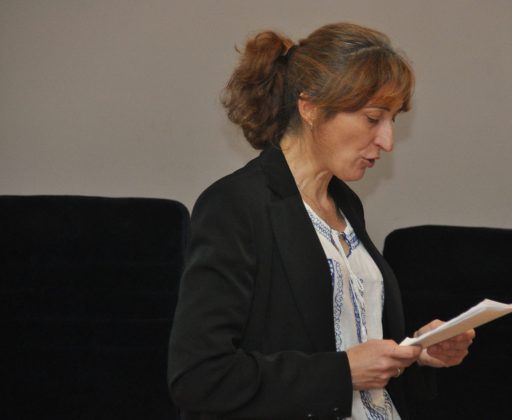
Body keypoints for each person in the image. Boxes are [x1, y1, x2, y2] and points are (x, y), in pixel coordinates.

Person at [168, 22, 475, 420]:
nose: (387, 141)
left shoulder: (345, 203)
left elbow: (347, 345)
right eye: (373, 118)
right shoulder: (235, 205)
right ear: (310, 107)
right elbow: (198, 377)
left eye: (392, 120)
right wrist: (342, 373)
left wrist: (416, 352)